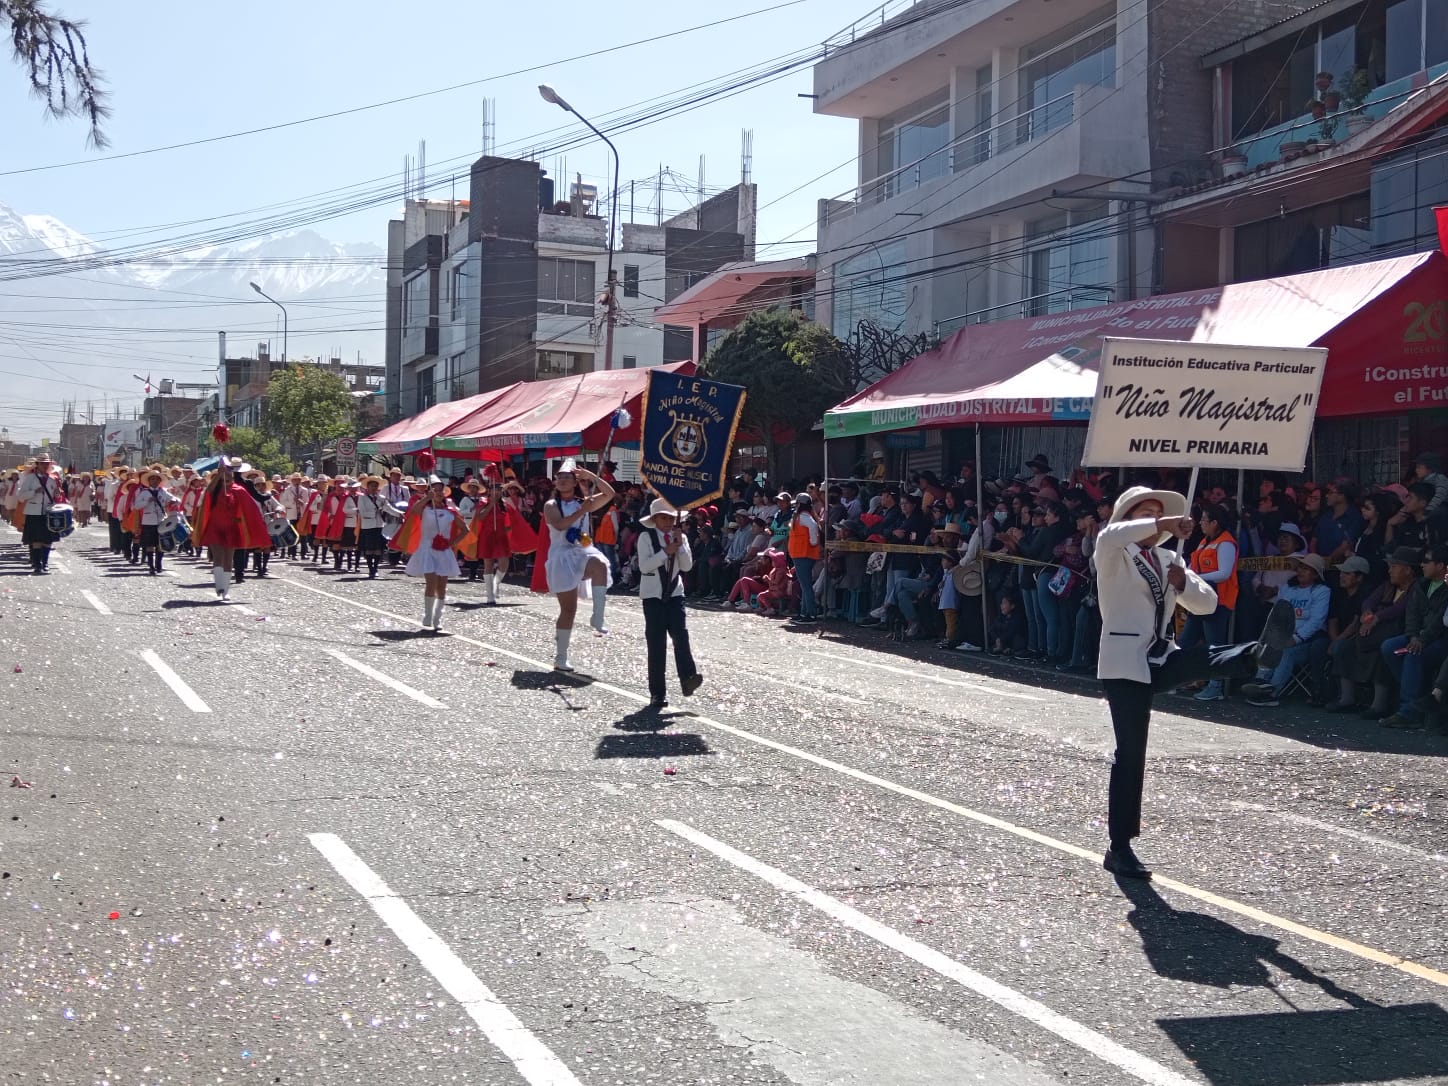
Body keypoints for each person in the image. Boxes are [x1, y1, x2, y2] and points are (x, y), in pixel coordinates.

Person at [1095, 486, 1294, 879]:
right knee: (1131, 755)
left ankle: (1255, 656)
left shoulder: (1170, 557)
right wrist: (1164, 521)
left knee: (1200, 658)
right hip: (1124, 664)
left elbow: (1207, 604)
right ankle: (1119, 847)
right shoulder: (1114, 552)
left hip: (1161, 656)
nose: (1153, 523)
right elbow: (1109, 534)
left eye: (1157, 515)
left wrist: (1184, 583)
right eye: (1144, 515)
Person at [542, 461, 616, 672]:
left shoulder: (583, 502)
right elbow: (559, 525)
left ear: (575, 482)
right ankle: (561, 656)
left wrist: (591, 476)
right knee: (568, 610)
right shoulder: (551, 505)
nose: (562, 480)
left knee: (600, 564)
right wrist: (582, 510)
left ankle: (598, 616)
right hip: (561, 557)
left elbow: (610, 494)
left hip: (581, 552)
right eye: (559, 477)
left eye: (567, 477)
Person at [635, 498, 704, 708]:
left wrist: (679, 547)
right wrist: (665, 552)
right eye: (663, 518)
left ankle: (688, 677)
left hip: (675, 594)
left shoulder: (680, 536)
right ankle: (657, 693)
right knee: (656, 645)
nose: (667, 522)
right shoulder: (645, 537)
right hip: (653, 596)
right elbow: (644, 566)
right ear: (655, 519)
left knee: (681, 636)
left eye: (671, 518)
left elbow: (687, 566)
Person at [1240, 554, 1331, 707]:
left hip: (1309, 640)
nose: (1301, 571)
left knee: (1286, 653)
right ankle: (1259, 683)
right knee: (1267, 646)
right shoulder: (1287, 589)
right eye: (1301, 567)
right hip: (1282, 636)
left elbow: (1316, 621)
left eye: (1307, 569)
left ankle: (1272, 693)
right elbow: (1277, 615)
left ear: (1315, 575)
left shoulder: (1322, 591)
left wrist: (1295, 638)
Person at [1378, 544, 1448, 729]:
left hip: (1439, 640)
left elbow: (1441, 620)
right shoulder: (1421, 585)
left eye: (1426, 561)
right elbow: (1412, 615)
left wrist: (1422, 639)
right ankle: (1417, 698)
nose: (1422, 565)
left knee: (1413, 655)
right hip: (1417, 636)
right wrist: (1412, 636)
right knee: (1389, 647)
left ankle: (1409, 712)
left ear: (1441, 565)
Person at [394, 475, 467, 632]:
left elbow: (465, 529)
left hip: (444, 552)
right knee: (431, 582)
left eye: (441, 491)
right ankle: (427, 615)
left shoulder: (450, 512)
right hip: (427, 549)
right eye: (435, 490)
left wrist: (452, 543)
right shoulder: (425, 510)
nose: (439, 493)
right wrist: (426, 497)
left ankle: (437, 617)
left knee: (442, 587)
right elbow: (413, 511)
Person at [194, 458, 271, 601]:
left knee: (229, 559)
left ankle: (225, 590)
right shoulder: (215, 490)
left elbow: (249, 508)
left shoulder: (239, 490)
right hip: (215, 527)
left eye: (230, 474)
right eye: (226, 474)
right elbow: (208, 492)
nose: (229, 476)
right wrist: (218, 475)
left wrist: (239, 519)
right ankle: (219, 584)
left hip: (232, 528)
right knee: (218, 557)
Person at [468, 475, 518, 604]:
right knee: (488, 565)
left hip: (500, 536)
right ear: (489, 490)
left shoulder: (506, 503)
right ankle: (490, 595)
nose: (497, 491)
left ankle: (496, 584)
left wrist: (507, 530)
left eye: (499, 489)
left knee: (504, 564)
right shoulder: (483, 502)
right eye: (494, 489)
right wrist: (492, 503)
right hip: (487, 536)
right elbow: (480, 518)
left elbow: (512, 521)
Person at [15, 452, 66, 574]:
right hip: (34, 513)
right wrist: (34, 492)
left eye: (47, 463)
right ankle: (37, 564)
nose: (45, 466)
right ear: (37, 465)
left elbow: (57, 497)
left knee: (48, 540)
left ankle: (45, 563)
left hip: (48, 513)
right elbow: (21, 496)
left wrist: (57, 496)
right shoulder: (30, 478)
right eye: (42, 463)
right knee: (36, 540)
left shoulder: (52, 480)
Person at [787, 492, 823, 623]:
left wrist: (813, 542)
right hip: (802, 554)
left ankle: (810, 614)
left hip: (803, 554)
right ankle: (804, 613)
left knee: (806, 585)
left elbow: (813, 528)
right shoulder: (803, 516)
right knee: (805, 585)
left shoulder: (804, 517)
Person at [133, 468, 177, 575]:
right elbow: (136, 506)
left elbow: (176, 499)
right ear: (149, 481)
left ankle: (159, 564)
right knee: (149, 545)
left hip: (161, 521)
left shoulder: (163, 491)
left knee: (160, 544)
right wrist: (147, 502)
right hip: (148, 521)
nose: (154, 481)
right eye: (152, 479)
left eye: (156, 479)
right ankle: (151, 565)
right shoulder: (144, 493)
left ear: (159, 481)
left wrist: (172, 501)